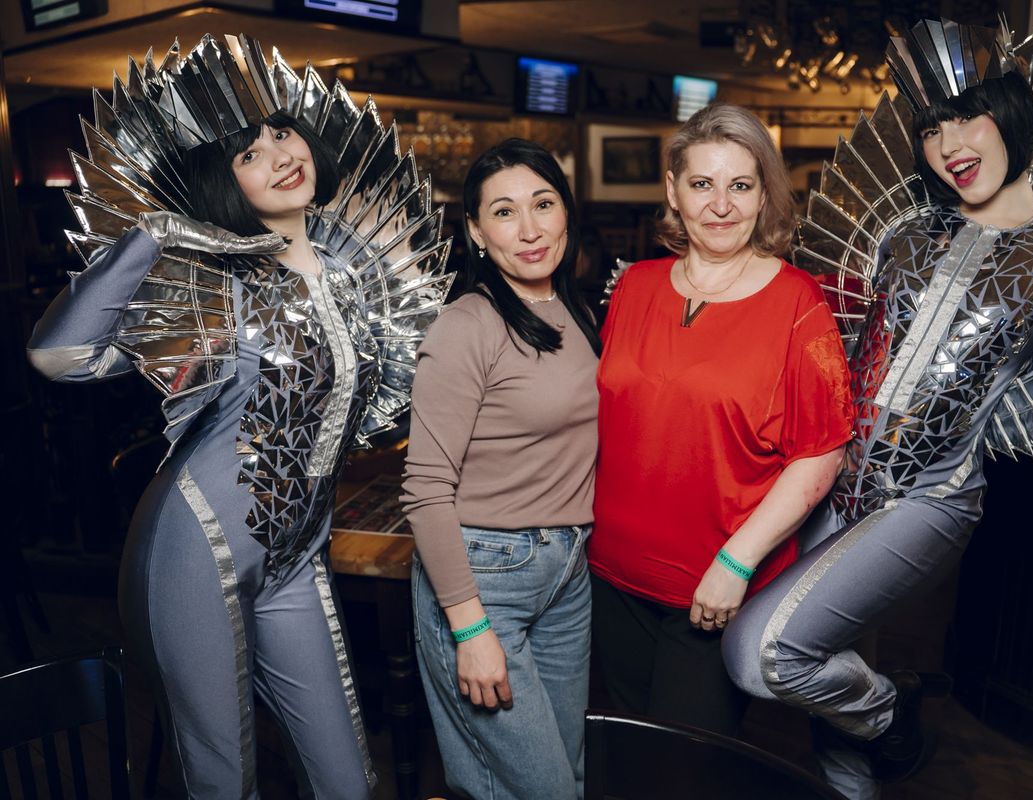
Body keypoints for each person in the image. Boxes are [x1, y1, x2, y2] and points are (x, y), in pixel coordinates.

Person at [26, 34, 450, 798]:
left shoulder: (349, 270)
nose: (280, 155)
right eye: (249, 153)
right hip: (193, 548)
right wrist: (158, 232)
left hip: (297, 555)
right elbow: (59, 356)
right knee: (225, 784)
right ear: (219, 181)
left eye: (282, 132)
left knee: (348, 782)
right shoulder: (214, 285)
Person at [721, 18, 1033, 800]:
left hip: (930, 497)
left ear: (1010, 117)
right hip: (832, 479)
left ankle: (893, 710)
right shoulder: (905, 232)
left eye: (966, 118)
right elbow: (850, 347)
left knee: (764, 653)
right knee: (829, 660)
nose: (948, 145)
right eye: (931, 130)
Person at [589, 102, 855, 738]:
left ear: (764, 196)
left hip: (715, 590)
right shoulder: (634, 287)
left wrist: (736, 564)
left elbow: (822, 452)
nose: (720, 205)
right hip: (609, 576)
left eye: (740, 185)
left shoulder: (797, 302)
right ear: (673, 192)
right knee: (622, 757)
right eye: (702, 184)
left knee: (682, 769)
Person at [401, 138, 601, 800]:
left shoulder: (576, 312)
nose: (530, 229)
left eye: (543, 204)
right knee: (541, 789)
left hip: (567, 571)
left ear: (566, 211)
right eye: (505, 212)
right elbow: (426, 491)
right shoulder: (467, 326)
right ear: (478, 232)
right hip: (485, 577)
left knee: (568, 774)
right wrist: (469, 627)